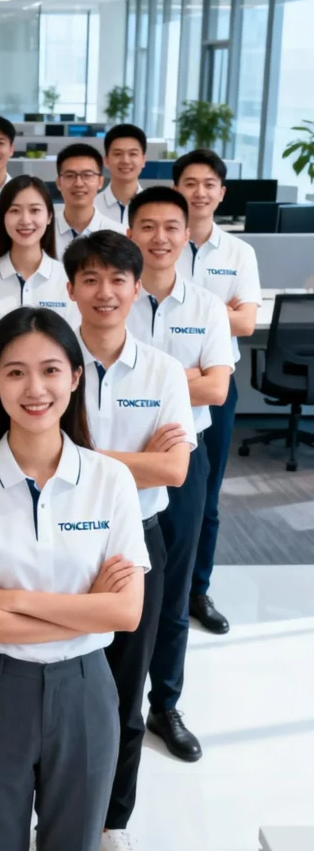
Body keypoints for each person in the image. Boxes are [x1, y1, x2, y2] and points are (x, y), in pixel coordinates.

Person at [0, 306, 150, 851]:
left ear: (76, 377)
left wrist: (12, 600)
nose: (35, 389)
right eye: (15, 373)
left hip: (86, 689)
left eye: (51, 370)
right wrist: (80, 606)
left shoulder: (111, 480)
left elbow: (125, 613)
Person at [62, 230, 195, 851]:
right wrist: (130, 460)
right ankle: (46, 822)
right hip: (52, 539)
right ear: (71, 289)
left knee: (123, 690)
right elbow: (30, 454)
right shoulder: (50, 362)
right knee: (50, 686)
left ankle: (114, 825)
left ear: (135, 289)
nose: (104, 292)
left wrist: (80, 461)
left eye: (117, 280)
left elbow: (173, 467)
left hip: (135, 539)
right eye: (90, 279)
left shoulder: (164, 370)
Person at [126, 186, 234, 763]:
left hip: (181, 460)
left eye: (172, 226)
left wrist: (150, 378)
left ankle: (165, 702)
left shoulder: (207, 307)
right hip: (110, 462)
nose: (160, 237)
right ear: (130, 233)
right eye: (148, 226)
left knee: (172, 587)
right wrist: (178, 376)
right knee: (112, 581)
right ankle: (115, 700)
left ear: (187, 232)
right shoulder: (109, 299)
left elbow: (216, 388)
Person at [173, 149, 261, 634]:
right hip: (162, 389)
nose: (199, 192)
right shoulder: (159, 244)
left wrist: (199, 308)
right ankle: (151, 587)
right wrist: (217, 309)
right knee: (155, 491)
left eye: (209, 184)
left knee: (206, 496)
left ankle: (197, 591)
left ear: (222, 192)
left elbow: (245, 322)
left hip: (215, 387)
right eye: (190, 182)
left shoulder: (238, 253)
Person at [0, 174, 76, 331]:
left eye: (35, 210)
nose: (25, 220)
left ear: (49, 216)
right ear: (3, 217)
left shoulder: (66, 278)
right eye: (15, 211)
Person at [54, 143, 125, 259]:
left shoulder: (118, 234)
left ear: (100, 182)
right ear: (58, 183)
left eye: (87, 175)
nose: (78, 183)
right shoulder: (43, 233)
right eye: (70, 175)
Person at [97, 124, 147, 225]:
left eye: (132, 154)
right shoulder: (93, 207)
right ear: (106, 160)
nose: (125, 161)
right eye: (117, 154)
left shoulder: (154, 207)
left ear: (143, 160)